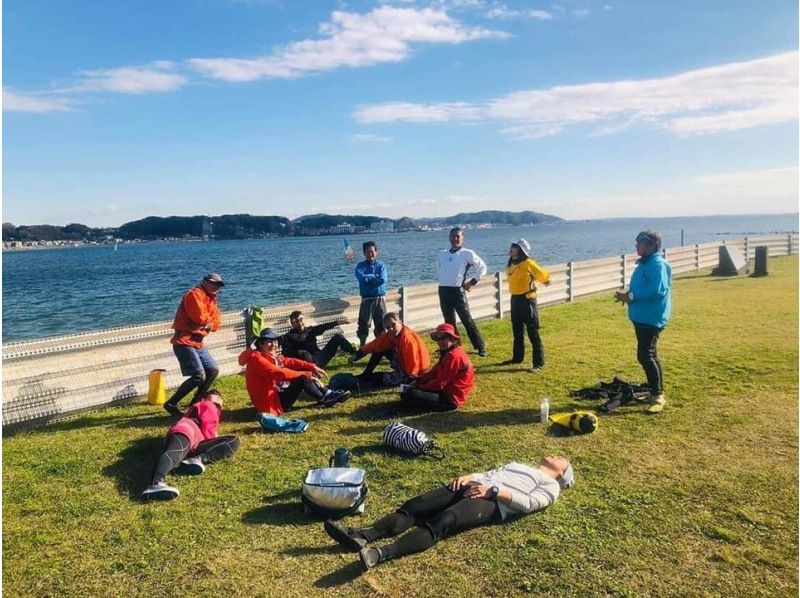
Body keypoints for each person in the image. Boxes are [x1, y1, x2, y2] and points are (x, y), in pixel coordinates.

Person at [323, 456, 574, 571]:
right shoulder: (519, 465)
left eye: (561, 459)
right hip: (475, 485)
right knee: (416, 505)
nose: (556, 455)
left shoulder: (551, 486)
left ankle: (381, 554)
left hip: (493, 502)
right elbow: (490, 473)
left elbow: (529, 503)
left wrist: (494, 491)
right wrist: (470, 477)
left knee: (444, 521)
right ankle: (363, 535)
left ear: (562, 473)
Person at [142, 389, 239, 501]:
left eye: (220, 397)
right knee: (176, 452)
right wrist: (213, 441)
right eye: (215, 395)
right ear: (204, 399)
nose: (219, 398)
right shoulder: (208, 405)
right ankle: (155, 484)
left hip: (196, 440)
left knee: (233, 440)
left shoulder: (207, 408)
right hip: (186, 430)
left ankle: (197, 459)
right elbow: (208, 428)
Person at [615, 229, 672, 413]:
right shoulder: (645, 263)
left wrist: (630, 296)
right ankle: (654, 388)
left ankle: (657, 394)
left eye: (639, 242)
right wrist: (628, 296)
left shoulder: (657, 264)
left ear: (651, 245)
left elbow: (658, 290)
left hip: (651, 318)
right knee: (650, 354)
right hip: (642, 317)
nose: (636, 245)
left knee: (645, 355)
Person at [238, 328, 350, 416]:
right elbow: (279, 373)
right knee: (302, 377)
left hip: (275, 395)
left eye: (275, 341)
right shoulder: (257, 359)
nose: (274, 345)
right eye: (269, 342)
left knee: (302, 373)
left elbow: (289, 361)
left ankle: (327, 395)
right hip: (270, 403)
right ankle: (326, 396)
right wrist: (307, 374)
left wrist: (312, 367)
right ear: (260, 344)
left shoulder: (267, 355)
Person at [163, 272, 225, 417]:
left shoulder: (211, 299)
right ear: (204, 281)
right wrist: (209, 322)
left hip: (197, 342)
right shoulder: (195, 294)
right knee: (198, 375)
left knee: (213, 370)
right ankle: (171, 404)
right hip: (184, 341)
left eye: (218, 285)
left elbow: (216, 323)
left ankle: (195, 404)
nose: (216, 287)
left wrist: (209, 323)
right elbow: (200, 318)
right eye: (213, 283)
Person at [437, 227, 488, 357]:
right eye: (453, 236)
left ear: (462, 238)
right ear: (449, 238)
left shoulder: (467, 253)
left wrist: (472, 282)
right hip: (443, 290)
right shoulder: (442, 254)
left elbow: (482, 268)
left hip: (457, 292)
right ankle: (455, 347)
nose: (455, 239)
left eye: (458, 236)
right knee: (449, 322)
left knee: (467, 320)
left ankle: (480, 347)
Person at [400, 323, 474, 411]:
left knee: (409, 394)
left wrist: (419, 387)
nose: (440, 342)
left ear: (452, 339)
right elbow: (434, 372)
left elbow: (439, 383)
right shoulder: (449, 353)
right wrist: (418, 380)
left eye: (443, 338)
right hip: (446, 391)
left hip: (450, 399)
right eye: (438, 339)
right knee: (409, 385)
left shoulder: (454, 356)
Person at [504, 238, 551, 372]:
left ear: (520, 250)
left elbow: (543, 276)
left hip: (527, 300)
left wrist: (545, 280)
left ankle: (539, 363)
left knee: (532, 331)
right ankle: (517, 358)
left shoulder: (528, 263)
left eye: (514, 247)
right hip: (515, 299)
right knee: (517, 331)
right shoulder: (511, 264)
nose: (511, 249)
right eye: (511, 246)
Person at [350, 312, 430, 388]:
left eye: (393, 325)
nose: (391, 329)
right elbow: (375, 344)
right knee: (379, 348)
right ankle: (365, 375)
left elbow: (414, 365)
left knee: (376, 378)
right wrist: (358, 354)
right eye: (388, 328)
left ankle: (365, 380)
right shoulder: (394, 334)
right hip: (405, 364)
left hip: (414, 373)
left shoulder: (407, 340)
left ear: (400, 322)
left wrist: (412, 380)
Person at [281, 310, 356, 367]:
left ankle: (355, 355)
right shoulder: (289, 336)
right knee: (303, 352)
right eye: (297, 321)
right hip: (309, 362)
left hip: (320, 357)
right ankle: (314, 370)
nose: (300, 323)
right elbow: (286, 352)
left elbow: (322, 327)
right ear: (292, 323)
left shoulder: (310, 330)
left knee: (338, 337)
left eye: (301, 320)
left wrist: (338, 322)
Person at [355, 241, 388, 347]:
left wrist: (369, 278)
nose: (370, 254)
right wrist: (375, 277)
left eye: (372, 251)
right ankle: (362, 347)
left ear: (376, 252)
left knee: (382, 325)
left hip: (380, 299)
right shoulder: (360, 266)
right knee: (363, 324)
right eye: (368, 252)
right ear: (364, 253)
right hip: (367, 300)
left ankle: (382, 346)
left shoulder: (381, 265)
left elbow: (383, 279)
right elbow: (362, 279)